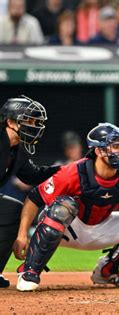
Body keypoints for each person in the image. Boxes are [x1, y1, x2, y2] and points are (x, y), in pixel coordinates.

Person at [13, 123, 119, 292]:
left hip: (102, 226)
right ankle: (29, 271)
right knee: (64, 206)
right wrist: (22, 235)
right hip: (70, 228)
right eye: (116, 146)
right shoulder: (72, 172)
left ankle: (106, 272)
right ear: (99, 150)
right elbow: (35, 198)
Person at [0, 96, 59, 288]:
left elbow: (32, 176)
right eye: (29, 121)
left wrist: (64, 170)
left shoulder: (17, 149)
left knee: (13, 210)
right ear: (10, 122)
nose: (34, 126)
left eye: (36, 122)